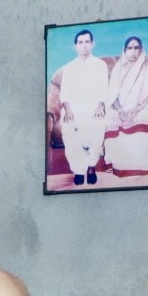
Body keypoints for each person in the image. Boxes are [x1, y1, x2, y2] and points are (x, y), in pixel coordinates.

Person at [47, 28, 110, 187]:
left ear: (92, 44)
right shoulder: (69, 68)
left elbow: (104, 87)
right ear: (75, 46)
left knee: (96, 130)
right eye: (80, 42)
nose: (84, 46)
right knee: (70, 131)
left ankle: (90, 167)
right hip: (74, 108)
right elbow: (65, 91)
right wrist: (68, 109)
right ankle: (79, 170)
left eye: (87, 42)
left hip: (94, 106)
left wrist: (100, 105)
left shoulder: (100, 65)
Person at [103, 35, 148, 178]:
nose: (133, 51)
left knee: (142, 117)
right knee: (111, 117)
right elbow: (112, 94)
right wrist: (121, 110)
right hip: (120, 107)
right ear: (125, 50)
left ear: (141, 50)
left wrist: (136, 108)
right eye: (130, 48)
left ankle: (139, 167)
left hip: (142, 106)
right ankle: (118, 166)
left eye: (136, 48)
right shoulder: (118, 68)